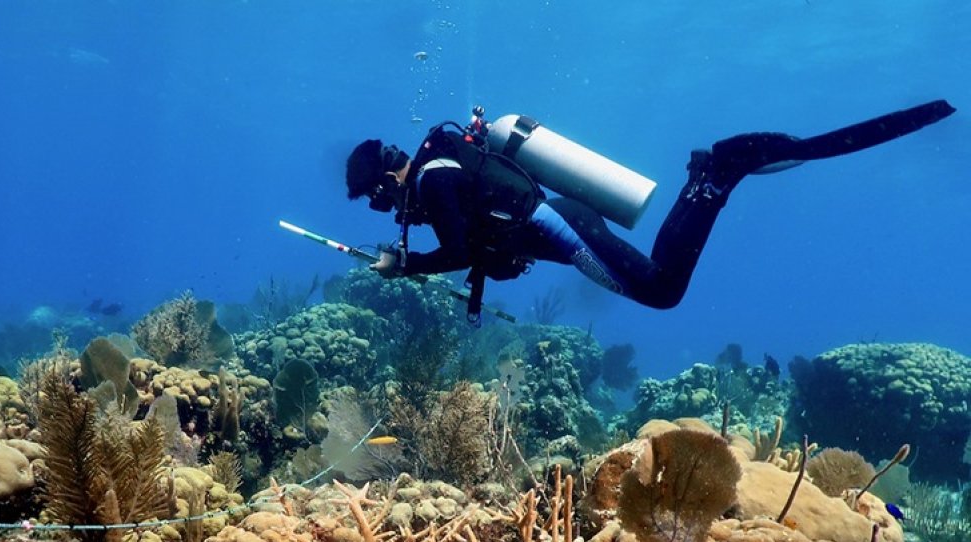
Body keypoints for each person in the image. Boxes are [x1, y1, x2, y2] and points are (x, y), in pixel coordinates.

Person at [345, 100, 955, 322]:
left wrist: (406, 267)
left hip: (562, 229)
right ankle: (711, 177)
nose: (383, 207)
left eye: (376, 196)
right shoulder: (444, 170)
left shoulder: (432, 180)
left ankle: (715, 175)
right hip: (561, 220)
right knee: (661, 286)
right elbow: (482, 248)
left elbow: (455, 250)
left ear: (386, 177)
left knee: (663, 290)